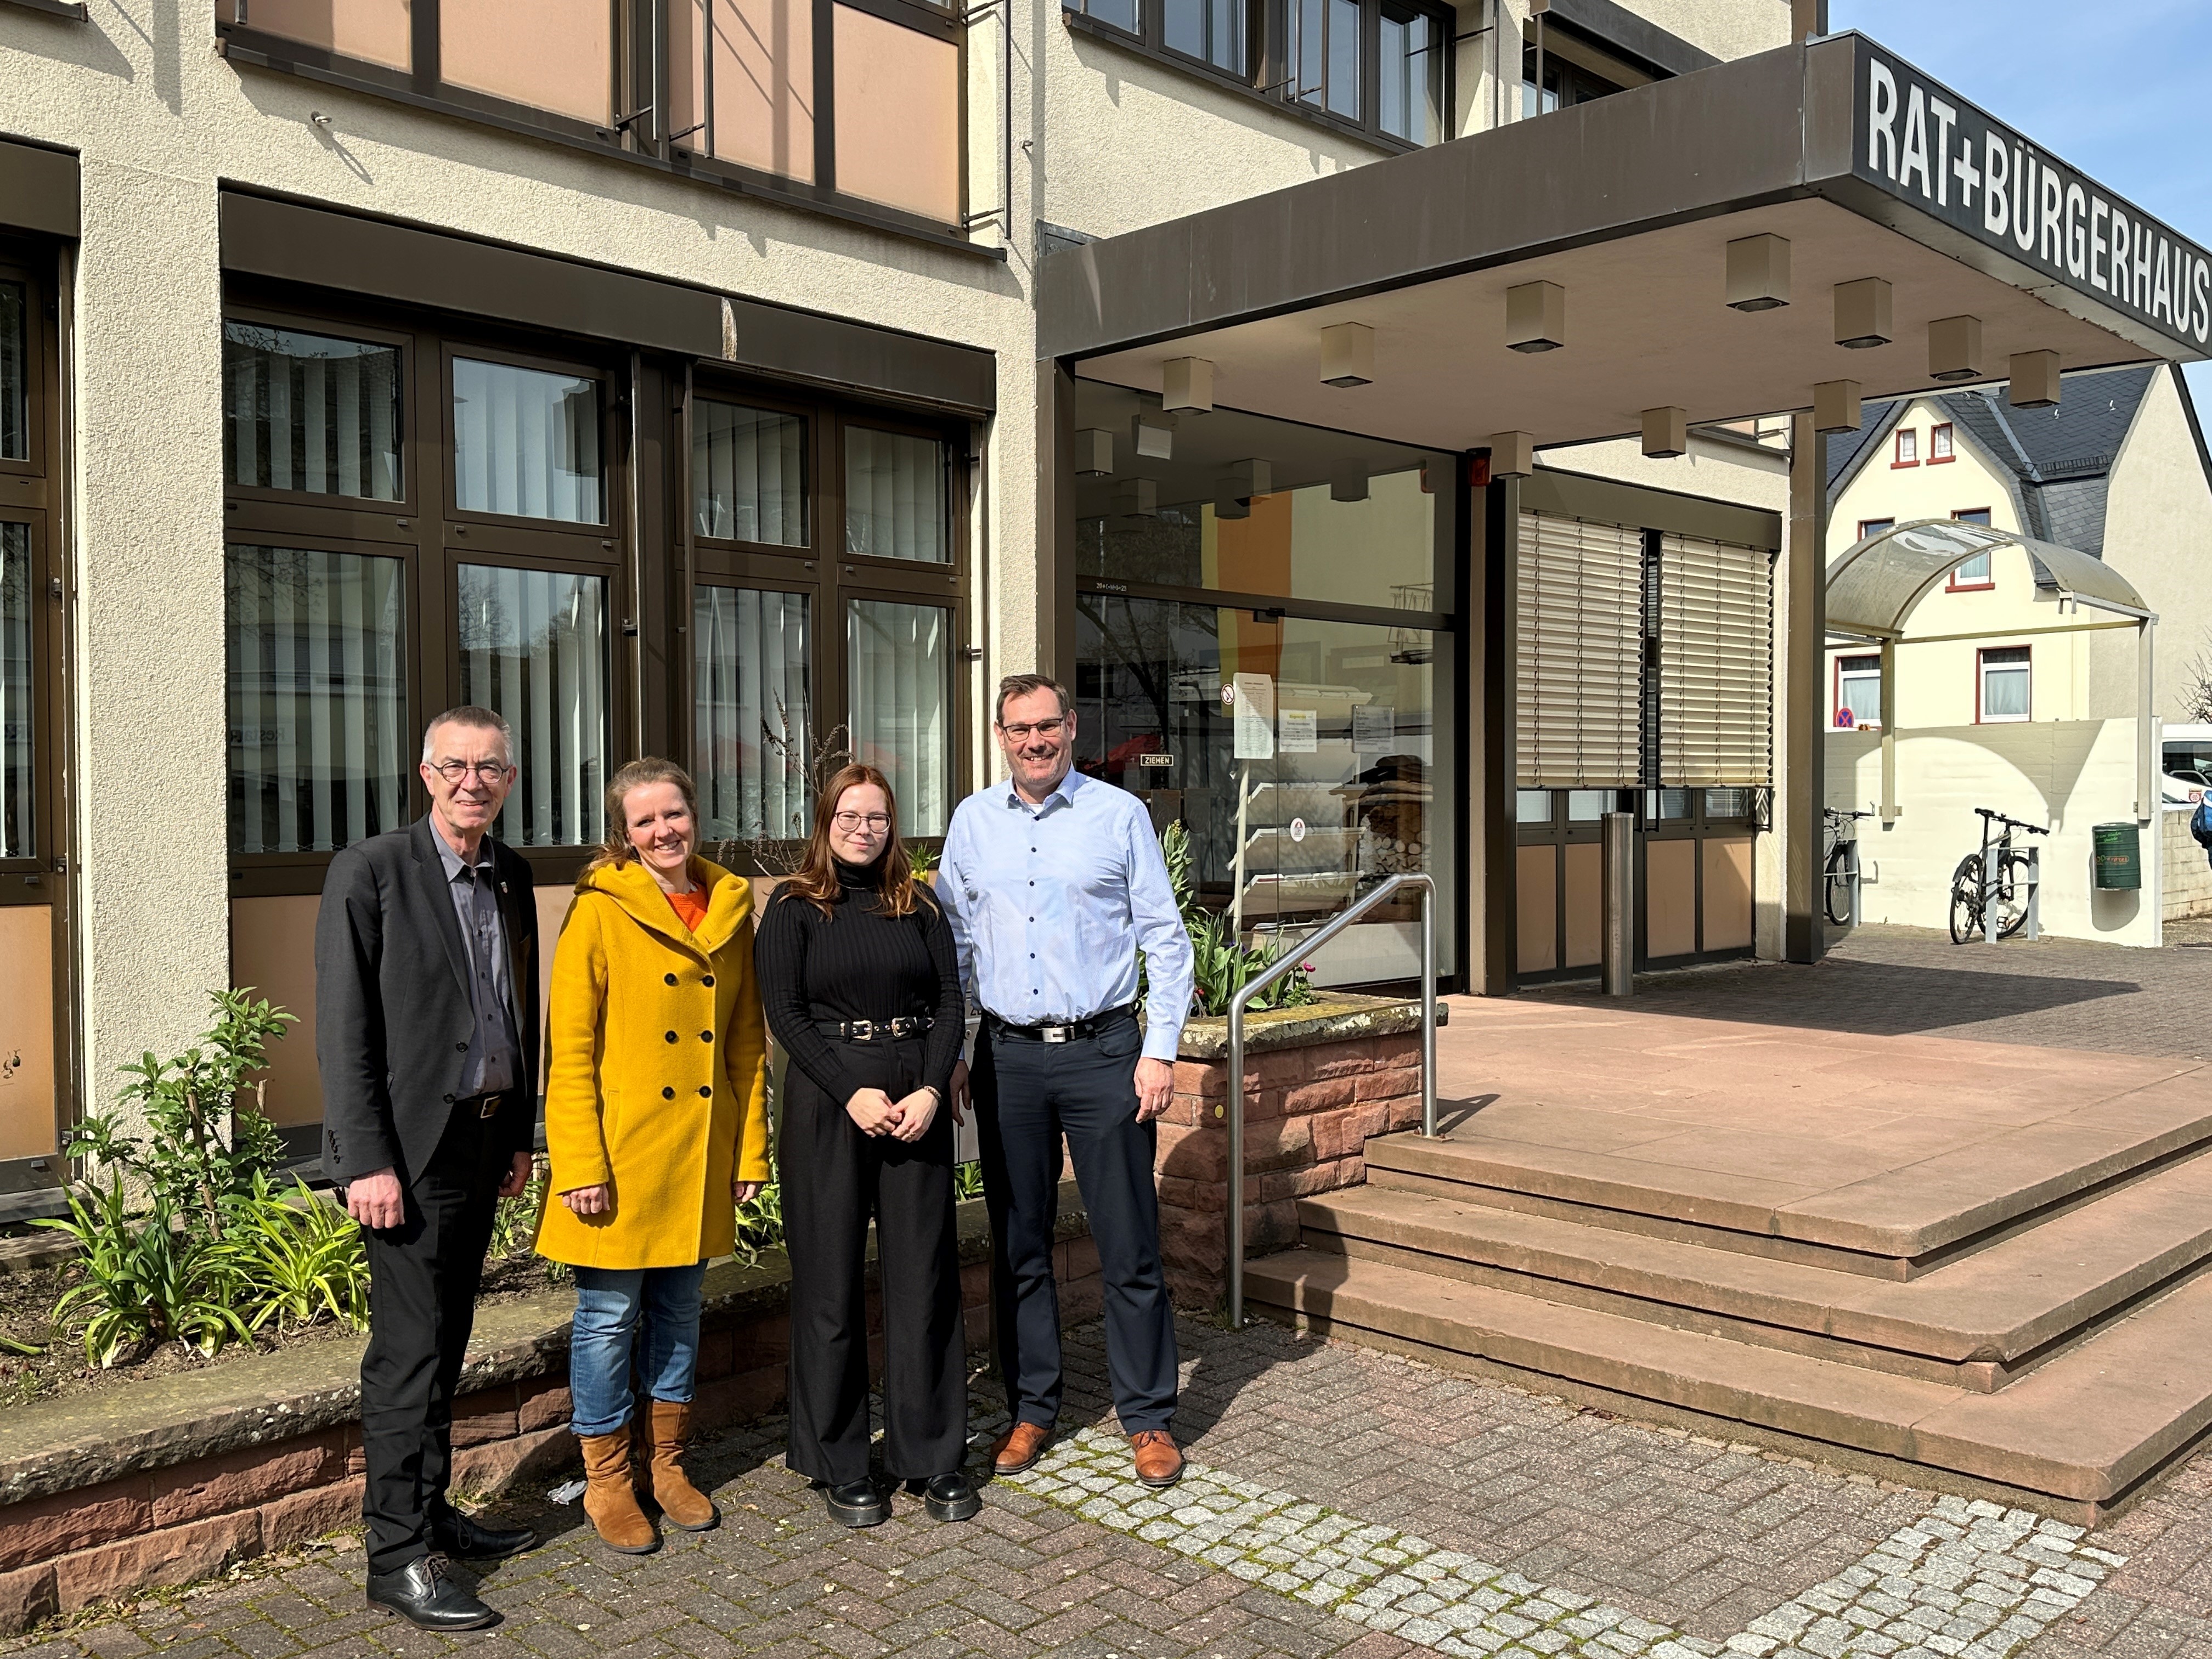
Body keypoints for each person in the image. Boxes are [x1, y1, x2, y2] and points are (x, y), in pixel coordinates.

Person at [937, 674, 1196, 1489]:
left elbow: (1166, 939)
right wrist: (955, 1049)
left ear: (1071, 728)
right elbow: (952, 948)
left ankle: (1148, 1416)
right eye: (1020, 729)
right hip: (1008, 1060)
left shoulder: (1119, 815)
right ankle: (1032, 1407)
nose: (1035, 740)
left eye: (1047, 725)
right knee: (1019, 1244)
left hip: (1106, 1054)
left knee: (1127, 1244)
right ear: (999, 735)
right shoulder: (973, 823)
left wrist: (1159, 1050)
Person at [316, 706, 541, 1632]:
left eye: (490, 767)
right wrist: (364, 1160)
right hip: (406, 1157)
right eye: (457, 766)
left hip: (485, 1141)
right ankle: (396, 1555)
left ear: (509, 780)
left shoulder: (512, 874)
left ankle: (433, 1513)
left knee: (447, 1341)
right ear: (425, 774)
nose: (473, 781)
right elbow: (344, 1029)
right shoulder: (371, 871)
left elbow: (517, 1010)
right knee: (408, 1354)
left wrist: (521, 1131)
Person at [537, 758, 771, 1555]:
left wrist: (749, 1153)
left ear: (694, 815)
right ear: (623, 836)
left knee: (677, 1311)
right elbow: (568, 1049)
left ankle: (667, 1464)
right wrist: (579, 1165)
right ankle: (607, 1480)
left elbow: (745, 1042)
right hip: (621, 1155)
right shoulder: (599, 911)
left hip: (700, 1152)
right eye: (645, 821)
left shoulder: (732, 907)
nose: (664, 831)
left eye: (674, 814)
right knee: (607, 1319)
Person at [754, 764, 974, 1527]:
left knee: (925, 1282)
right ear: (826, 821)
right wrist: (850, 1091)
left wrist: (931, 1084)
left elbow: (950, 1000)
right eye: (850, 815)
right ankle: (839, 1458)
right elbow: (784, 1013)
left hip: (915, 1098)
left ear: (893, 826)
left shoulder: (918, 905)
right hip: (829, 1104)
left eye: (877, 817)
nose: (863, 828)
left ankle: (934, 1453)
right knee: (831, 1285)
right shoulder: (792, 908)